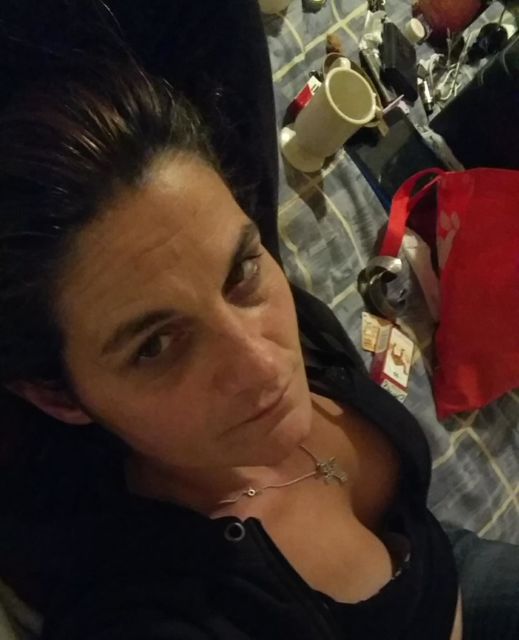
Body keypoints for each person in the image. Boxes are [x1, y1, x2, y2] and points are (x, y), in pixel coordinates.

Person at [0, 2, 517, 640]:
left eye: (241, 271)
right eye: (156, 345)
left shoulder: (291, 320)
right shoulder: (159, 605)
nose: (267, 363)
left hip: (450, 559)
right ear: (58, 395)